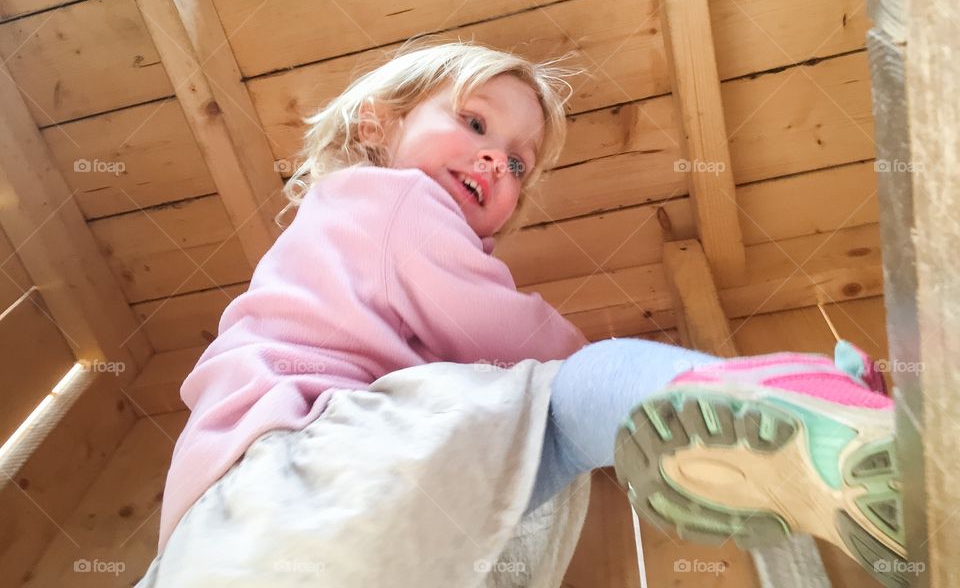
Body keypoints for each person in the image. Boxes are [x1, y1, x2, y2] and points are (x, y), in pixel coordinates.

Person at [135, 40, 903, 588]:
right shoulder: (391, 200)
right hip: (298, 469)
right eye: (474, 124)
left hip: (223, 545)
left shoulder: (337, 236)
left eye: (517, 163)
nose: (493, 160)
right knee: (570, 399)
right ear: (378, 124)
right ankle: (794, 405)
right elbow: (506, 333)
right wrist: (589, 371)